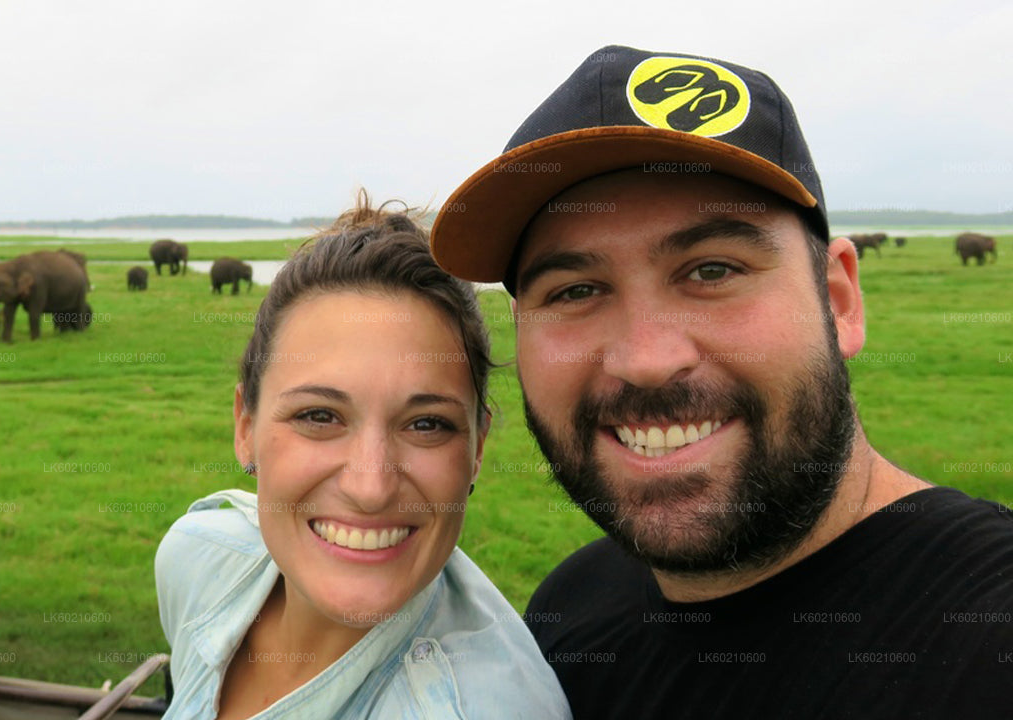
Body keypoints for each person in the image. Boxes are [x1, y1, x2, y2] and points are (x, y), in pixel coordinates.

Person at [429, 45, 1013, 719]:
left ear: (840, 300)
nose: (646, 359)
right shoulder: (567, 616)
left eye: (712, 271)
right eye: (576, 290)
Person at [154, 195, 570, 719]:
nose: (370, 488)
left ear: (477, 448)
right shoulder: (197, 559)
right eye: (319, 416)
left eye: (426, 425)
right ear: (245, 426)